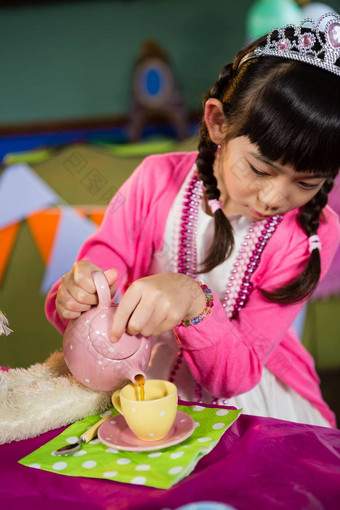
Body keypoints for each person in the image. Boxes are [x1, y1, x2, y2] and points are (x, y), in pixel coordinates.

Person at [46, 13, 340, 428]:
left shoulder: (314, 233)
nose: (275, 198)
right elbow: (96, 280)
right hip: (135, 372)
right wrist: (77, 295)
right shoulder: (154, 179)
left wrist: (195, 301)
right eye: (259, 170)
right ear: (218, 122)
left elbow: (234, 378)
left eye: (307, 182)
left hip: (250, 393)